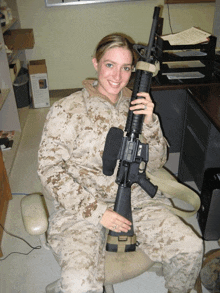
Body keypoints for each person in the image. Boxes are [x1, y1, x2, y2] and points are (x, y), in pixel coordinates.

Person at [38, 33, 203, 293]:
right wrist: (97, 212)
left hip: (136, 200)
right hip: (81, 208)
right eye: (109, 65)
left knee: (191, 249)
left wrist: (150, 122)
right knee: (78, 285)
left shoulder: (137, 107)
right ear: (96, 63)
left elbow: (157, 162)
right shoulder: (67, 110)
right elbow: (49, 171)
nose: (117, 76)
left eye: (126, 68)